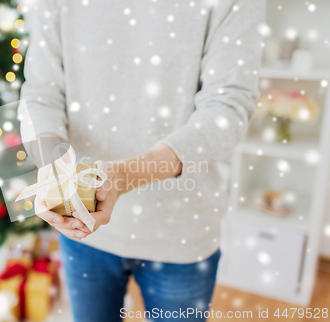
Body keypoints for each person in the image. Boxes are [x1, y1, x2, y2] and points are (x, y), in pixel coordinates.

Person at [19, 0, 264, 321]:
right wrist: (53, 169)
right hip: (83, 227)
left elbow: (227, 108)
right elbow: (41, 93)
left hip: (181, 235)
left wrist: (123, 176)